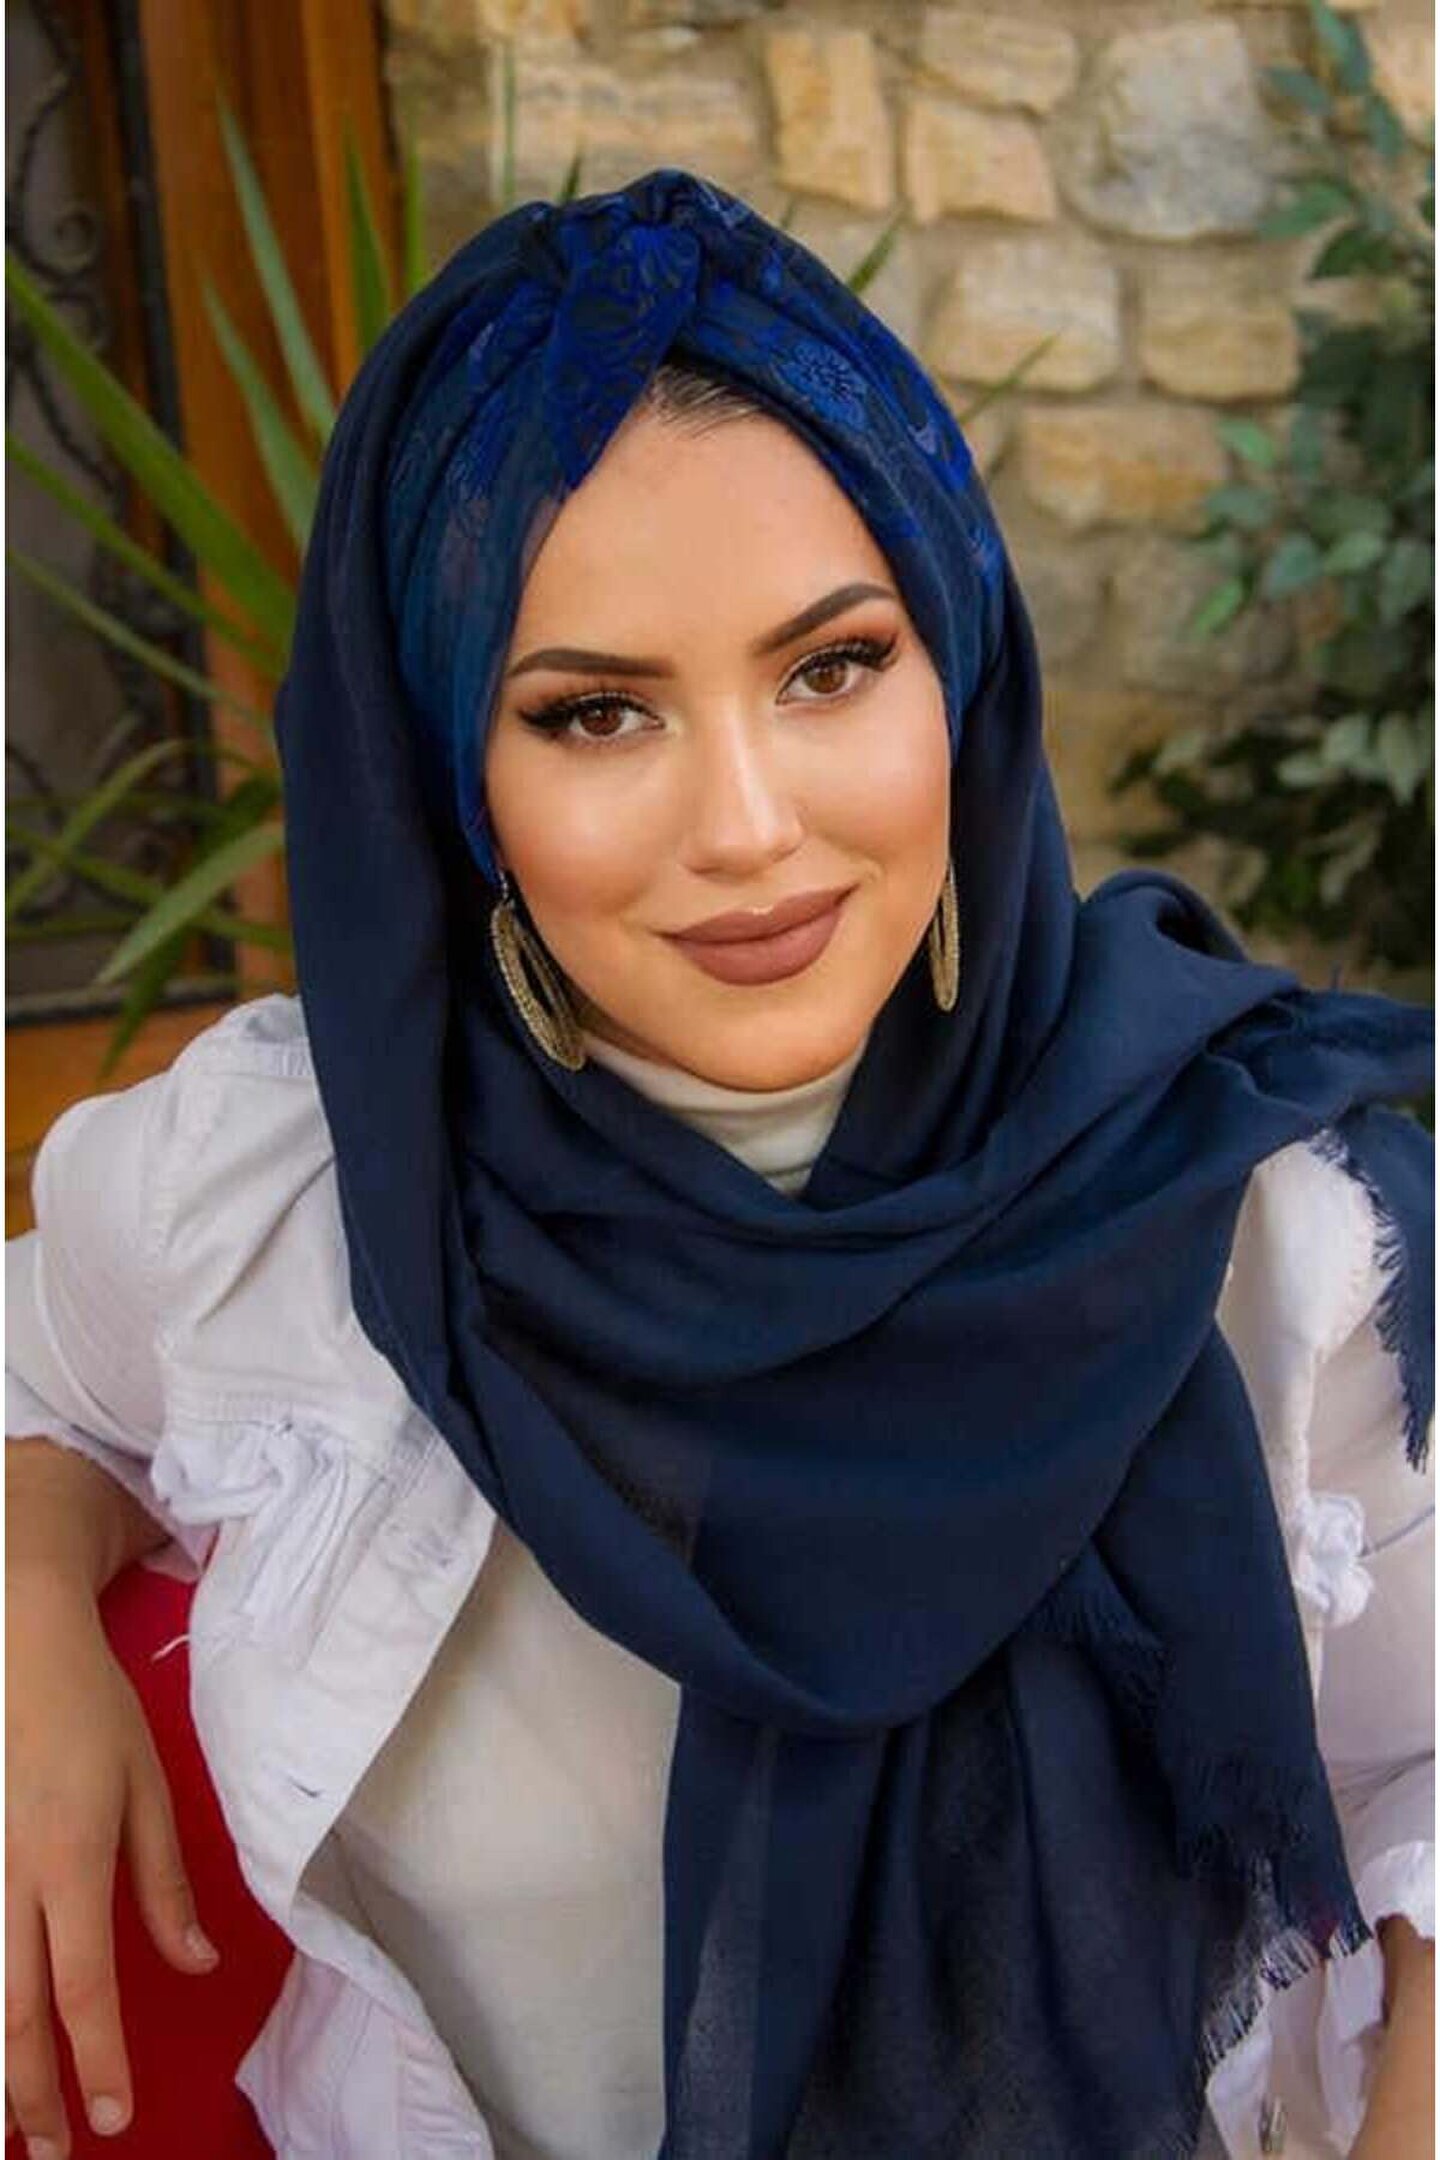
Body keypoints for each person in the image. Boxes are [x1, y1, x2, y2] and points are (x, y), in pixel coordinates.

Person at [4, 167, 1434, 2160]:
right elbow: (42, 1383)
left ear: (959, 667)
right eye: (596, 713)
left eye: (832, 666)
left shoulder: (1264, 1212)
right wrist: (24, 1603)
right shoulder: (267, 1185)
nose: (749, 825)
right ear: (451, 773)